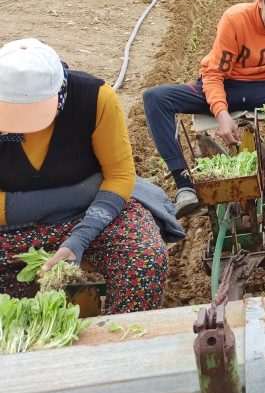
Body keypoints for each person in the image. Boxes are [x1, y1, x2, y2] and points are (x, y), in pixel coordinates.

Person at [0, 38, 169, 314]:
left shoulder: (95, 99)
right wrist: (77, 192)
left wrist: (80, 238)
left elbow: (119, 176)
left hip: (93, 213)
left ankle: (119, 337)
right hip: (15, 228)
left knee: (145, 258)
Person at [143, 0, 265, 216]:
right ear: (261, 2)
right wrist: (221, 113)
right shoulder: (235, 19)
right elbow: (214, 74)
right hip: (224, 85)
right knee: (155, 98)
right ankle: (185, 186)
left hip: (260, 88)